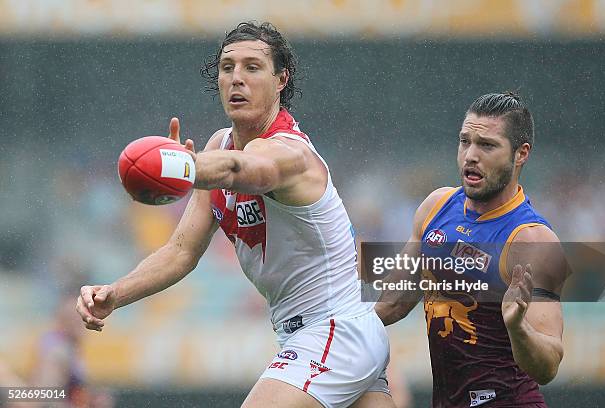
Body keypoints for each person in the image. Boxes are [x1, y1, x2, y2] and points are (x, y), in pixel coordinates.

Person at [76, 22, 394, 408]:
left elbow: (245, 171)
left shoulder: (291, 153)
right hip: (324, 334)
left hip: (334, 331)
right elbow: (181, 251)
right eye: (227, 68)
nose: (236, 79)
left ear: (281, 80)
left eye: (252, 67)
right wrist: (115, 293)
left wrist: (185, 166)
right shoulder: (219, 144)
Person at [376, 92, 567, 407]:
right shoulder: (435, 207)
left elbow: (548, 367)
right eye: (465, 141)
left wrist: (517, 327)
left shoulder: (532, 241)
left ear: (521, 154)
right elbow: (392, 303)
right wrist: (326, 324)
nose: (470, 155)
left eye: (487, 145)